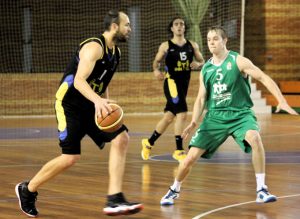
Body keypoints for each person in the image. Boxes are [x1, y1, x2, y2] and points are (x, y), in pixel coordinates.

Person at [15, 10, 143, 217]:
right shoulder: (93, 47)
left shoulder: (115, 53)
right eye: (127, 24)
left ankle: (114, 198)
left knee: (121, 138)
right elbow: (79, 81)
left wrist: (104, 103)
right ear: (114, 26)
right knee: (70, 157)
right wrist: (98, 101)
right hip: (69, 105)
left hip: (91, 105)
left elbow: (102, 83)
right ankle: (27, 190)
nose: (130, 29)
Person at [160, 26, 299, 205]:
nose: (211, 42)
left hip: (240, 114)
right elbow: (201, 98)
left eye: (216, 38)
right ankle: (174, 189)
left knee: (255, 138)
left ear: (225, 41)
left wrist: (281, 100)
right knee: (189, 158)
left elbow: (263, 77)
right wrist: (194, 121)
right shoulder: (206, 69)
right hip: (215, 117)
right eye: (209, 39)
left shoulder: (238, 61)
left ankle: (261, 189)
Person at [141, 16, 204, 162]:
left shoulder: (192, 45)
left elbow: (202, 60)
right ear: (172, 28)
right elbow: (156, 62)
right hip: (171, 82)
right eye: (176, 24)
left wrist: (198, 64)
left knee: (169, 117)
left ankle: (148, 143)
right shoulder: (166, 46)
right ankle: (179, 150)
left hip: (184, 84)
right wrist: (156, 71)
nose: (180, 26)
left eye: (182, 24)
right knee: (182, 113)